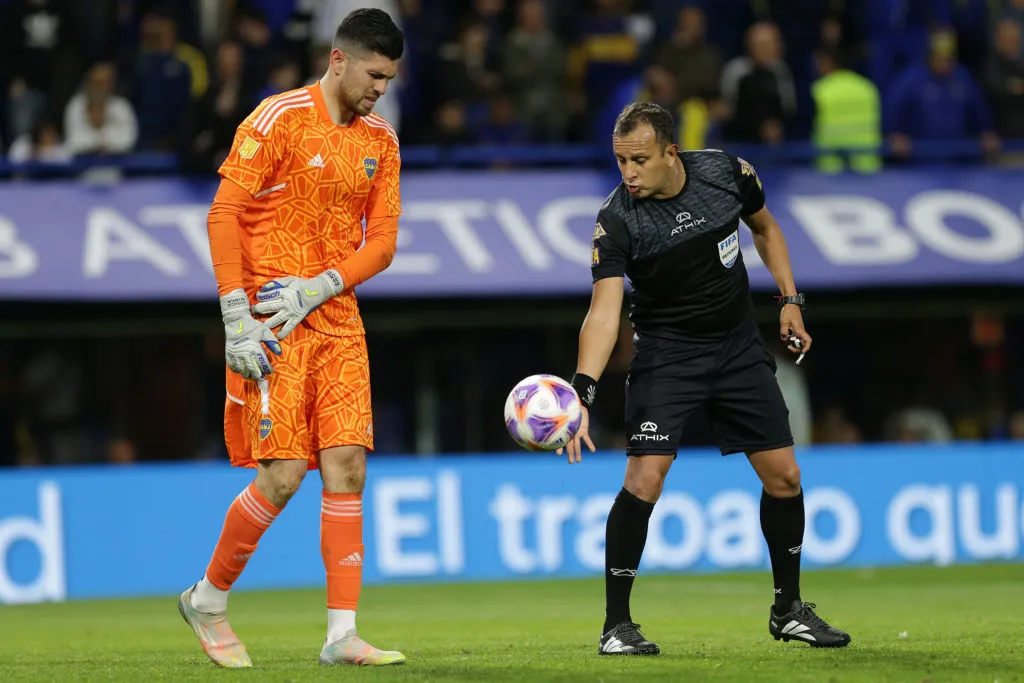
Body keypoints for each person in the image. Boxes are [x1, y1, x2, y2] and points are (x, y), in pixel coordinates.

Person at [559, 101, 851, 655]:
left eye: (639, 161)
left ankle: (788, 610)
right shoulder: (618, 218)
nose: (628, 174)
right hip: (668, 356)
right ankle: (616, 626)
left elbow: (765, 228)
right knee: (644, 480)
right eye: (620, 161)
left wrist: (789, 299)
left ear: (672, 152)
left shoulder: (727, 173)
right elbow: (604, 312)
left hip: (738, 349)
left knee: (785, 477)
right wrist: (583, 390)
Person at [177, 8, 405, 668]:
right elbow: (224, 214)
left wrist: (323, 283)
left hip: (335, 316)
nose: (380, 90)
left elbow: (384, 244)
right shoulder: (276, 118)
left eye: (389, 79)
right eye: (373, 75)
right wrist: (234, 316)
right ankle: (209, 597)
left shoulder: (381, 141)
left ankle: (341, 634)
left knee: (348, 466)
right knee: (281, 475)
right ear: (339, 60)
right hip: (271, 320)